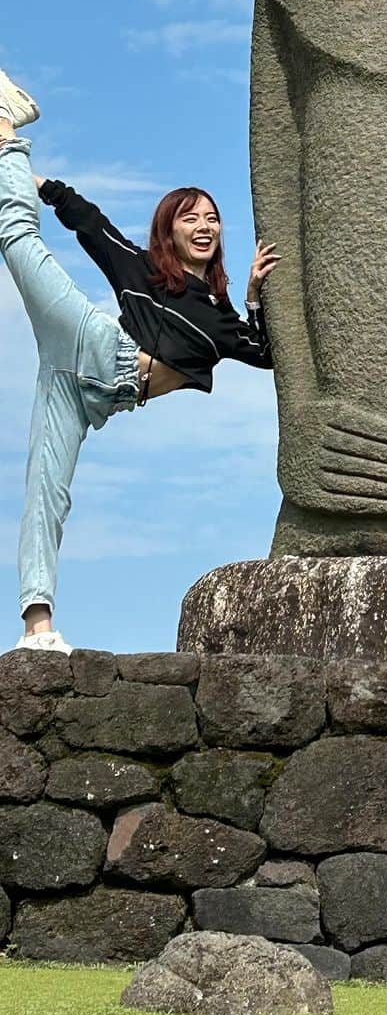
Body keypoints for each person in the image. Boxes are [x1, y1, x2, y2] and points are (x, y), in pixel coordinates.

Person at [0, 69, 278, 655]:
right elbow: (94, 226)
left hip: (93, 394)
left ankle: (36, 629)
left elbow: (269, 354)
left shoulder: (224, 318)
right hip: (90, 347)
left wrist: (254, 295)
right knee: (21, 241)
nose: (203, 226)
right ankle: (8, 131)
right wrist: (43, 183)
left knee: (47, 491)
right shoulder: (146, 274)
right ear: (168, 232)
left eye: (210, 217)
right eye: (188, 218)